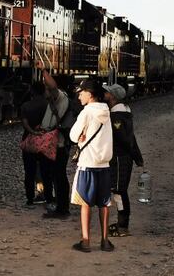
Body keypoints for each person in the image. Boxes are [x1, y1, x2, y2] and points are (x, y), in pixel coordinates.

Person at [68, 78, 114, 253]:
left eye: (81, 93)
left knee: (85, 202)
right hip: (104, 164)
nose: (79, 96)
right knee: (104, 203)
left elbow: (73, 135)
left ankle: (86, 241)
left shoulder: (87, 112)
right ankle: (105, 241)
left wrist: (79, 137)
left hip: (88, 163)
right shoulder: (106, 112)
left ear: (90, 94)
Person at [105, 83, 144, 237]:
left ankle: (122, 226)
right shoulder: (125, 113)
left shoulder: (117, 116)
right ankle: (122, 224)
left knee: (119, 191)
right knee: (119, 191)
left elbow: (123, 139)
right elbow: (131, 138)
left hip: (119, 157)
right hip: (124, 157)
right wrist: (137, 157)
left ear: (113, 97)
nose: (105, 95)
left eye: (107, 93)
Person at [39, 68, 73, 218]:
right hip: (56, 143)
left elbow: (52, 87)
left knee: (59, 175)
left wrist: (43, 71)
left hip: (58, 144)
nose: (46, 90)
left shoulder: (60, 97)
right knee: (56, 175)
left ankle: (62, 208)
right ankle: (60, 206)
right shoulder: (57, 100)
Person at [19, 81, 48, 208]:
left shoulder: (26, 106)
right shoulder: (48, 105)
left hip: (29, 140)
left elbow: (24, 122)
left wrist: (32, 132)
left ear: (32, 91)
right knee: (46, 169)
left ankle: (30, 197)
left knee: (29, 171)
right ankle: (46, 195)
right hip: (45, 140)